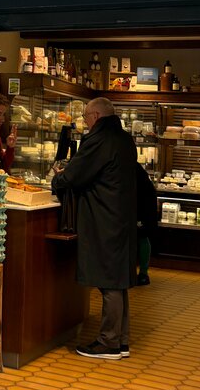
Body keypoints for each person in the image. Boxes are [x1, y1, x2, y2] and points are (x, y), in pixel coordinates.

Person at [51, 96, 137, 360]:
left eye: (86, 118)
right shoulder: (124, 138)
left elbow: (75, 175)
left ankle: (108, 342)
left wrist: (58, 179)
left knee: (108, 279)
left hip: (103, 217)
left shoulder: (99, 139)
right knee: (118, 280)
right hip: (121, 216)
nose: (84, 123)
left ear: (96, 117)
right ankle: (120, 339)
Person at [135, 162, 158, 285]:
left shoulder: (127, 167)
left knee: (142, 235)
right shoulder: (134, 166)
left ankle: (143, 273)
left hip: (142, 204)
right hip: (142, 202)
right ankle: (142, 273)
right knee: (142, 236)